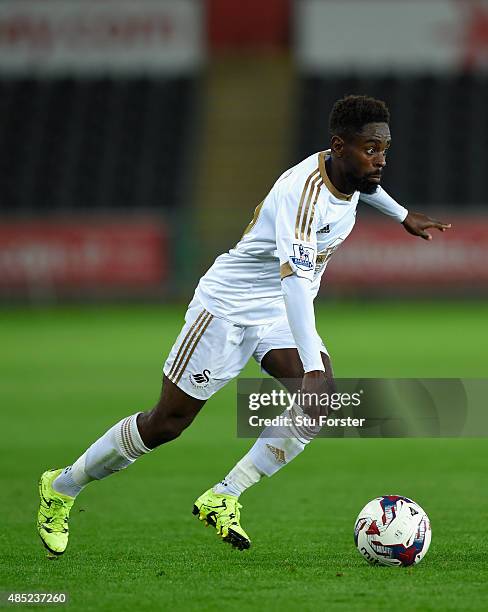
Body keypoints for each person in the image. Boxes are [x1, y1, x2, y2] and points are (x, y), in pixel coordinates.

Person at [37, 95, 450, 555]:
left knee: (319, 404)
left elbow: (365, 186)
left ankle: (224, 495)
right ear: (338, 145)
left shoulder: (350, 173)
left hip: (276, 311)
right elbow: (295, 285)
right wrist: (312, 367)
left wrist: (403, 215)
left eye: (385, 150)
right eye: (371, 148)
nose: (381, 160)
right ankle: (63, 487)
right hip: (227, 309)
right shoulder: (302, 196)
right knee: (167, 423)